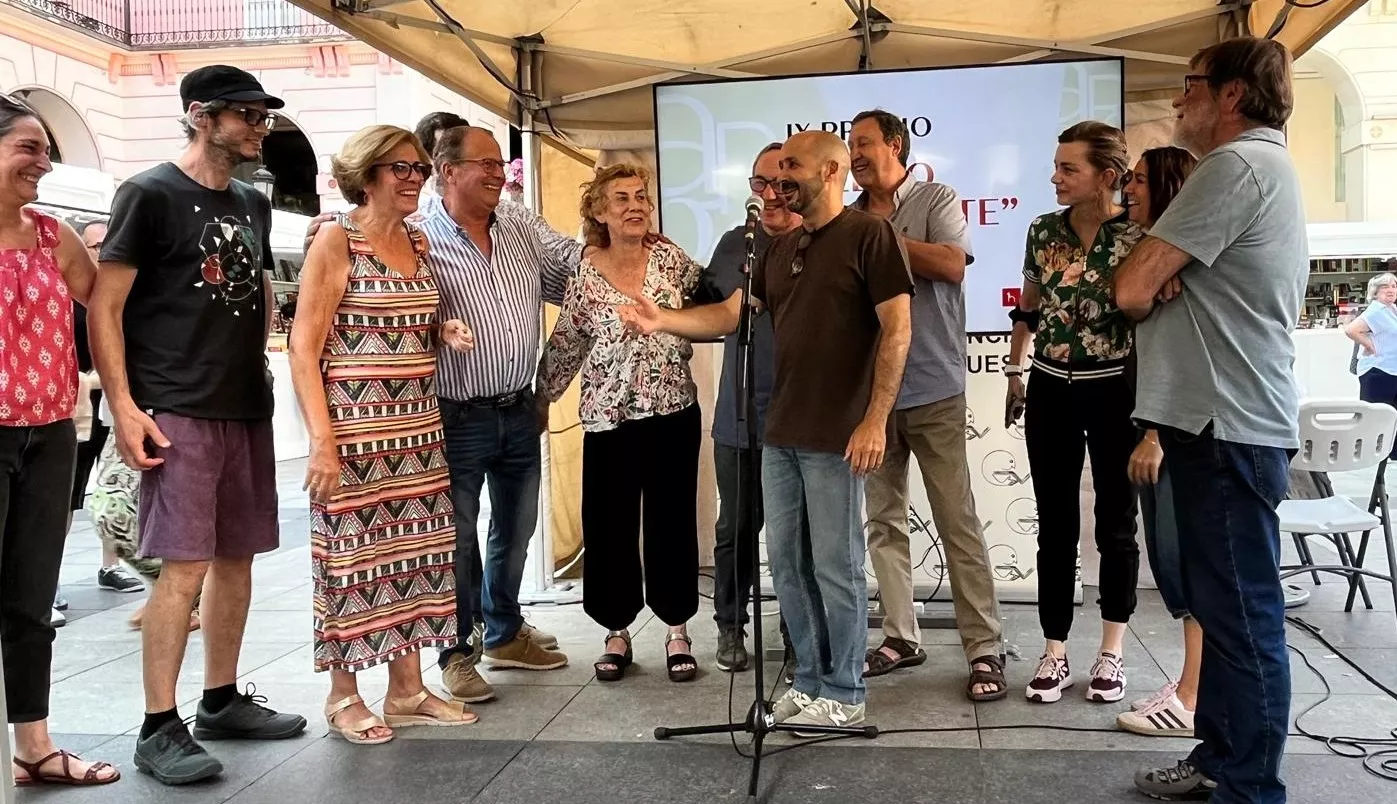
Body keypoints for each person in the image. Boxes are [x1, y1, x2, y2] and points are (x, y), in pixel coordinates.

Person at [619, 130, 914, 730]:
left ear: (832, 172)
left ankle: (845, 690)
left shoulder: (869, 235)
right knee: (786, 561)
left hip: (838, 434)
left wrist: (875, 419)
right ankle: (807, 680)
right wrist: (663, 319)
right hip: (778, 432)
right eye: (773, 175)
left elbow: (898, 329)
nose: (779, 185)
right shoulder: (779, 249)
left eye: (791, 172)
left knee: (835, 563)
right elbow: (731, 314)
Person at [89, 65, 307, 786]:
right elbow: (105, 306)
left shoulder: (251, 200)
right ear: (199, 115)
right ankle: (158, 726)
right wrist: (123, 407)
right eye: (245, 114)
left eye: (263, 116)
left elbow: (260, 293)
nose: (258, 127)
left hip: (244, 401)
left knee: (237, 559)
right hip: (177, 405)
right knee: (182, 568)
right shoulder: (147, 193)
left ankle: (219, 699)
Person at [1114, 36, 1306, 804]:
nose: (1176, 100)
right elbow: (1150, 284)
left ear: (1230, 94)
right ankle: (1223, 761)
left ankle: (1249, 787)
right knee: (1226, 611)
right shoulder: (1262, 165)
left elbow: (1130, 288)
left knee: (1240, 613)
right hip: (1221, 418)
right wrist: (1170, 277)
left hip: (1223, 420)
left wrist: (1161, 278)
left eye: (1189, 85)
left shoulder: (1235, 166)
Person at [293, 124, 478, 744]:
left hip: (418, 435)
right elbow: (304, 348)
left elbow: (405, 317)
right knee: (351, 563)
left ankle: (407, 689)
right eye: (400, 168)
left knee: (419, 560)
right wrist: (322, 441)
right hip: (354, 435)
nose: (413, 178)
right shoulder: (336, 241)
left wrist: (443, 330)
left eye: (419, 169)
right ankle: (343, 696)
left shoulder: (419, 241)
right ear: (367, 173)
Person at [848, 108, 1007, 700]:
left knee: (956, 520)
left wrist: (876, 239)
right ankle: (900, 635)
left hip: (935, 387)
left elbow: (950, 264)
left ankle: (984, 648)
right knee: (883, 523)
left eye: (864, 143)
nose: (855, 154)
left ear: (894, 144)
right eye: (850, 146)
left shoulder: (936, 196)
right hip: (871, 400)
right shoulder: (848, 217)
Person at [539, 163, 703, 684]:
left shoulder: (672, 260)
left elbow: (712, 304)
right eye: (622, 199)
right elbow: (568, 341)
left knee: (671, 521)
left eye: (641, 197)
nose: (635, 206)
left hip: (673, 411)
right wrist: (540, 399)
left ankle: (677, 628)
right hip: (608, 419)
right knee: (609, 525)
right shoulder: (584, 273)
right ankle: (616, 631)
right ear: (599, 211)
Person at [0, 91, 120, 787]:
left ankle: (34, 745)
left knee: (30, 598)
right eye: (28, 148)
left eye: (46, 149)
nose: (43, 163)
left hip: (47, 435)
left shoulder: (52, 235)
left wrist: (129, 399)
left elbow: (105, 309)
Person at [1005, 121, 1144, 705]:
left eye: (1069, 169)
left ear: (1106, 177)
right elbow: (1029, 307)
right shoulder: (1042, 230)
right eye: (1056, 166)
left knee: (1116, 521)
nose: (1055, 178)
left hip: (1117, 389)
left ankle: (1112, 650)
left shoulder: (1140, 235)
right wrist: (1015, 372)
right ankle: (1055, 648)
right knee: (1055, 522)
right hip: (1051, 388)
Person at [697, 142, 801, 672]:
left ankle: (795, 627)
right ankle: (730, 627)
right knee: (735, 530)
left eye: (784, 182)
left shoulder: (820, 241)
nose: (772, 193)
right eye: (761, 183)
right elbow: (712, 307)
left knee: (796, 535)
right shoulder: (737, 243)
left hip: (803, 421)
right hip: (740, 416)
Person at [1112, 145, 1202, 739]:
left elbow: (1180, 357)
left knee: (1189, 564)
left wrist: (1154, 435)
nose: (1129, 187)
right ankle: (1192, 688)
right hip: (1159, 422)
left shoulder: (1180, 265)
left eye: (1140, 180)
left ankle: (1192, 696)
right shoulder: (1153, 251)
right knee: (1175, 563)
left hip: (1172, 430)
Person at [72, 220, 144, 595]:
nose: (102, 251)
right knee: (73, 495)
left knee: (117, 493)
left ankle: (111, 567)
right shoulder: (76, 298)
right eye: (94, 245)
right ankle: (46, 584)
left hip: (121, 407)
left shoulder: (127, 293)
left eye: (107, 244)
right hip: (81, 406)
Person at [1345, 272, 1397, 457]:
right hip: (1379, 371)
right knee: (1376, 418)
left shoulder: (1391, 309)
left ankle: (1388, 456)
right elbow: (1351, 330)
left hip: (1391, 370)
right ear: (1375, 292)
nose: (1391, 289)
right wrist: (1371, 346)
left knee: (1390, 418)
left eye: (1393, 286)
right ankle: (1371, 456)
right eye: (1385, 287)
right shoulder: (1377, 311)